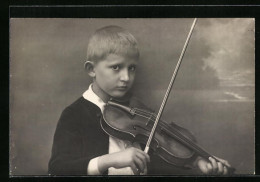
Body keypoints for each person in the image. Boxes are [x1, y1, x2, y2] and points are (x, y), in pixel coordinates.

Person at [48, 25, 231, 175]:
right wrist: (109, 161)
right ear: (91, 69)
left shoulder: (134, 110)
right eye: (116, 67)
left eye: (132, 68)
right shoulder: (75, 114)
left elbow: (157, 159)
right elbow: (57, 169)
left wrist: (196, 161)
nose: (126, 77)